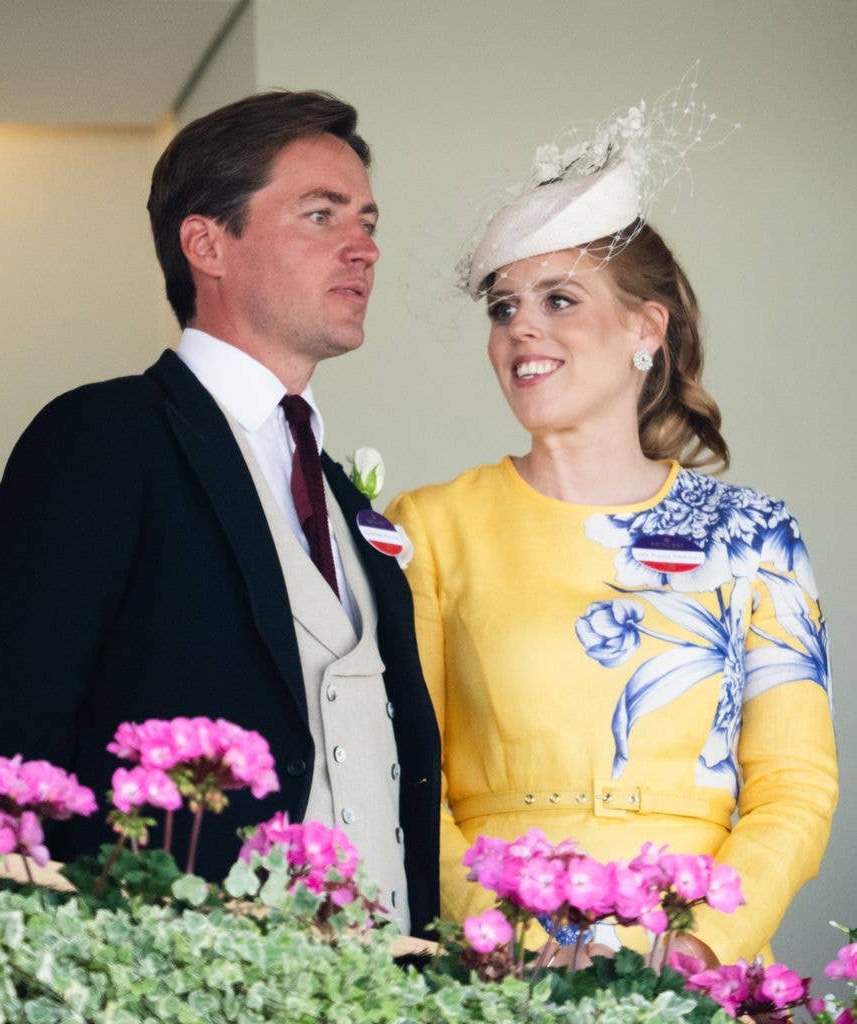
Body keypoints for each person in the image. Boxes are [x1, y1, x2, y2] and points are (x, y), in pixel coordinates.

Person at [0, 90, 440, 936]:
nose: (363, 248)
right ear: (206, 243)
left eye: (366, 221)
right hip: (170, 971)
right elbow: (10, 732)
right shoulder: (103, 437)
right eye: (321, 216)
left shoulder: (345, 499)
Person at [386, 91, 836, 961]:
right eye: (502, 305)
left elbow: (795, 785)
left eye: (558, 300)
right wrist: (509, 934)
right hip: (494, 962)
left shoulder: (754, 535)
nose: (521, 328)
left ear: (645, 328)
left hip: (691, 961)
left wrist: (698, 944)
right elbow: (411, 776)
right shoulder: (429, 526)